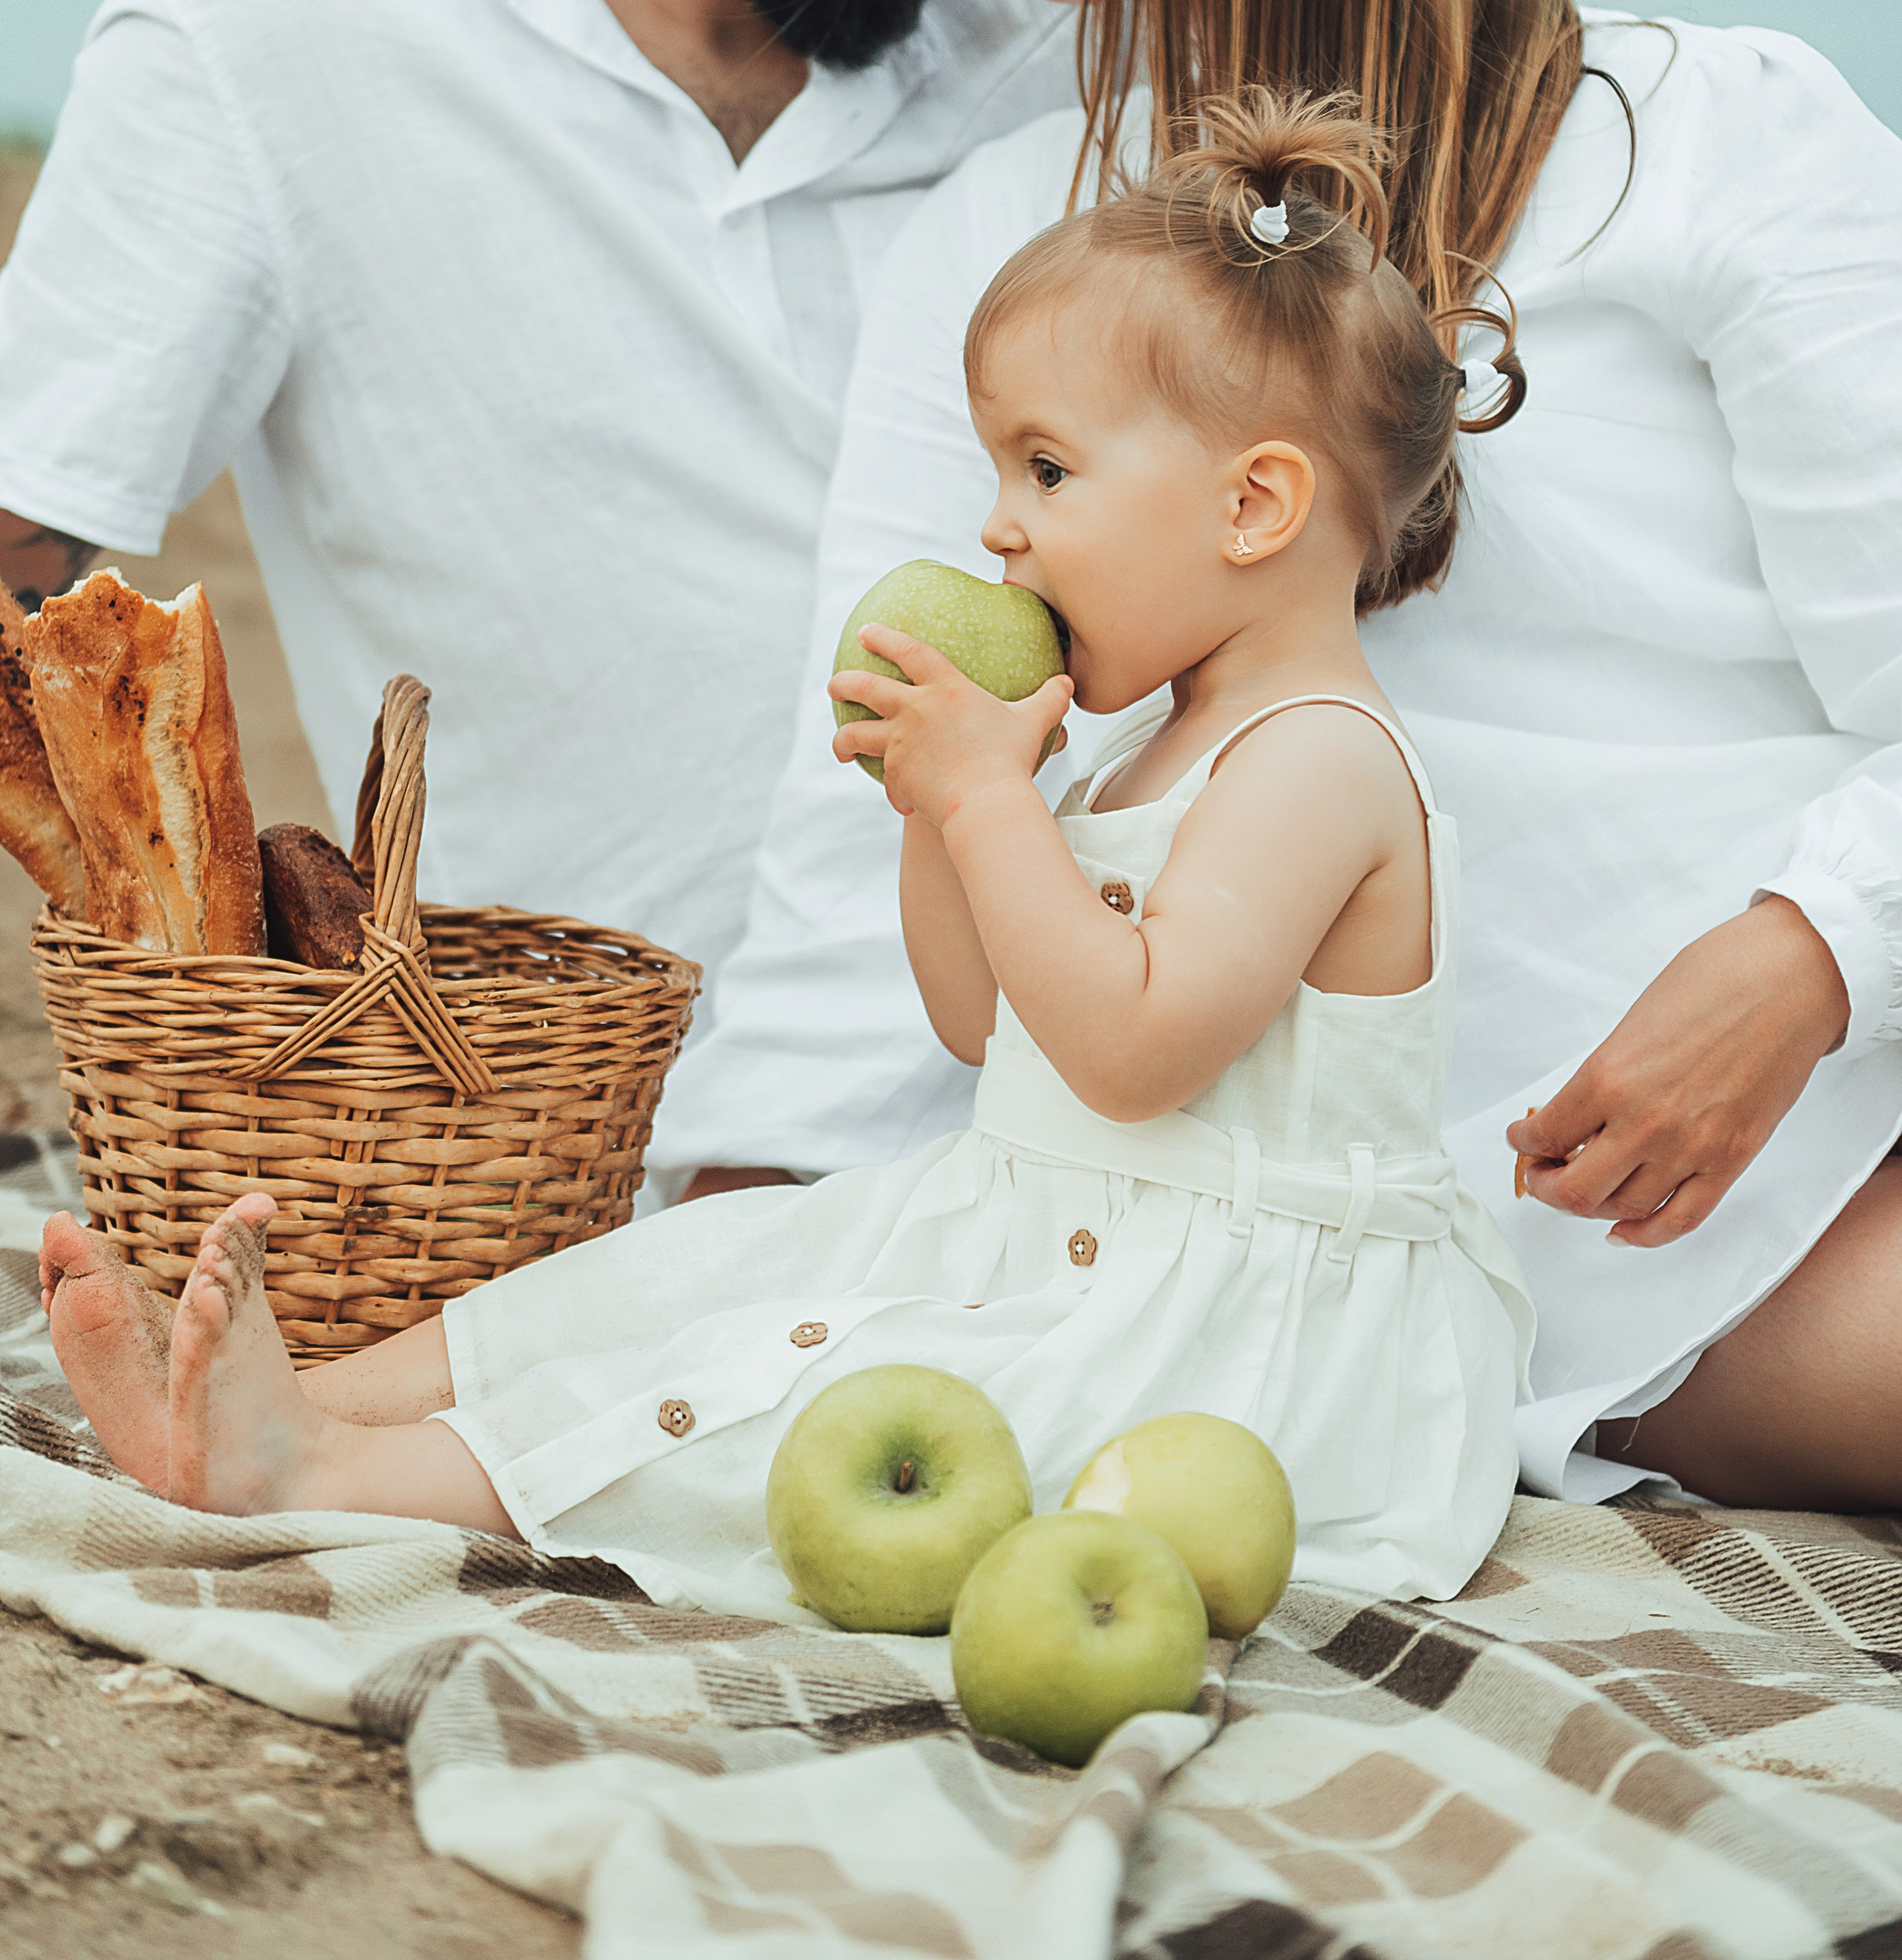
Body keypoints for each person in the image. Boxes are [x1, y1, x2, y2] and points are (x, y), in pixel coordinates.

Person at [654, 0, 1902, 1513]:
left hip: (1824, 1092)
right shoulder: (1009, 235)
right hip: (1472, 1232)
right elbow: (876, 773)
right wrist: (765, 1220)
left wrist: (1812, 951)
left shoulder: (1714, 141)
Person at [42, 92, 1531, 1609]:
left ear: (1253, 504)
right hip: (1039, 1228)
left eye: (1047, 471)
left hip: (1210, 1335)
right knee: (694, 1272)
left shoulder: (1319, 763)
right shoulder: (1138, 748)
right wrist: (934, 819)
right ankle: (318, 1394)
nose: (996, 530)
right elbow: (985, 1019)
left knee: (786, 1398)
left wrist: (985, 807)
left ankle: (322, 1472)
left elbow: (1133, 1053)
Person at [0, 0, 1070, 1010]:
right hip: (554, 1171)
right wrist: (232, 989)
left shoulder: (1051, 45)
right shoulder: (258, 45)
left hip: (1063, 1132)